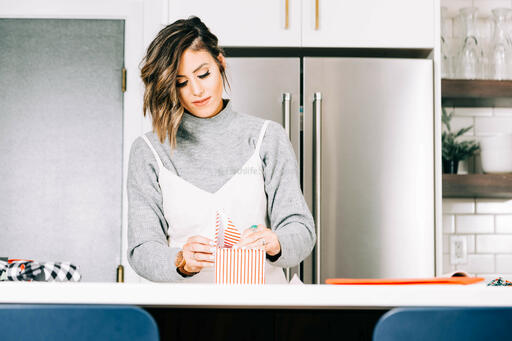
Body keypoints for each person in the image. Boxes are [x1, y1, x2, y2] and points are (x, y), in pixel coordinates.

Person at [127, 16, 315, 283]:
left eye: (203, 74)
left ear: (220, 62)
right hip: (183, 312)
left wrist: (275, 242)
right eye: (181, 82)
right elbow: (141, 249)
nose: (196, 90)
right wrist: (180, 259)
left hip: (262, 307)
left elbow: (302, 231)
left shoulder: (266, 137)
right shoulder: (149, 150)